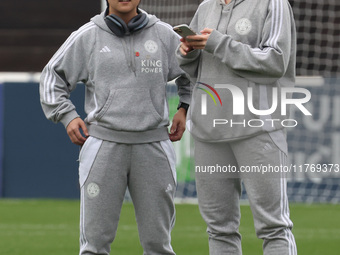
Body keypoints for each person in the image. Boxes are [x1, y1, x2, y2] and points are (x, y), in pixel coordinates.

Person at [40, 0, 192, 254]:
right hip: (103, 148)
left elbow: (192, 71)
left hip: (154, 148)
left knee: (159, 246)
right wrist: (66, 115)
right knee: (94, 246)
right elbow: (51, 77)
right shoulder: (87, 36)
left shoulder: (164, 34)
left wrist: (184, 108)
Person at [176, 0, 297, 254]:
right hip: (209, 132)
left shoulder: (272, 3)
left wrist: (219, 44)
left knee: (274, 227)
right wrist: (188, 53)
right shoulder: (207, 6)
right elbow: (194, 71)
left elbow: (275, 62)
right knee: (219, 230)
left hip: (258, 128)